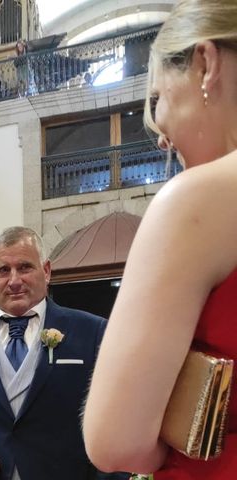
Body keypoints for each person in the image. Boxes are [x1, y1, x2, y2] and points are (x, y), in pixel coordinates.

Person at [83, 1, 237, 478]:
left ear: (205, 65)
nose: (162, 139)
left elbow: (114, 444)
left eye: (156, 100)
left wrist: (170, 443)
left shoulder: (197, 199)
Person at [0, 226, 118, 480]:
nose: (14, 280)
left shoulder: (92, 331)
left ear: (46, 271)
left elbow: (115, 421)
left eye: (25, 267)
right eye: (3, 270)